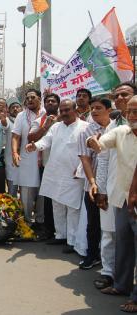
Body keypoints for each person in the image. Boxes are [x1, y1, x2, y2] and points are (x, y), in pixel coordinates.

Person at [86, 96, 137, 313]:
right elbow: (101, 144)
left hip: (135, 199)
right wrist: (93, 142)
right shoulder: (121, 132)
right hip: (122, 199)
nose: (132, 116)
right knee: (123, 244)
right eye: (130, 111)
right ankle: (121, 286)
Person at [26, 100, 87, 253]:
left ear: (75, 110)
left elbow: (87, 152)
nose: (64, 113)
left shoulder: (84, 127)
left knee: (72, 207)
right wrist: (35, 146)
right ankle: (60, 235)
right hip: (55, 172)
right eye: (62, 110)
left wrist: (80, 168)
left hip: (74, 175)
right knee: (57, 205)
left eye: (67, 110)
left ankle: (72, 241)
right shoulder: (56, 127)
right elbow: (46, 141)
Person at [77, 97, 112, 270]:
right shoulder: (86, 130)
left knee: (112, 226)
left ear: (109, 110)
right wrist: (92, 182)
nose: (94, 111)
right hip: (93, 187)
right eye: (92, 108)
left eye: (98, 108)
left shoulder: (117, 129)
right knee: (93, 223)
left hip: (114, 185)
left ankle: (112, 264)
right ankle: (92, 255)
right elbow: (85, 159)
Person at [28, 93, 60, 240]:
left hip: (67, 168)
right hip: (47, 166)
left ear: (58, 104)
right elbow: (32, 138)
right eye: (48, 101)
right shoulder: (39, 120)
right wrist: (45, 126)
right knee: (48, 199)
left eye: (53, 101)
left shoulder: (68, 118)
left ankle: (64, 234)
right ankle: (49, 230)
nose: (50, 103)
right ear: (44, 104)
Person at [12, 89, 45, 225]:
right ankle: (27, 222)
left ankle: (40, 221)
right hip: (27, 158)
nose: (30, 100)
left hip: (45, 159)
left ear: (40, 98)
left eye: (33, 97)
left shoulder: (46, 113)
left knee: (43, 193)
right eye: (27, 98)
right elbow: (15, 136)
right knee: (26, 193)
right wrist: (14, 152)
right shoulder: (21, 115)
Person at [1, 99, 22, 197]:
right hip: (11, 160)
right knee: (12, 191)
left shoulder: (26, 120)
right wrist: (4, 120)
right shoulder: (8, 121)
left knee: (25, 190)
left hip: (25, 159)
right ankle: (13, 211)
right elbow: (5, 125)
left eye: (17, 107)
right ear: (9, 110)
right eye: (12, 107)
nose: (15, 109)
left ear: (21, 108)